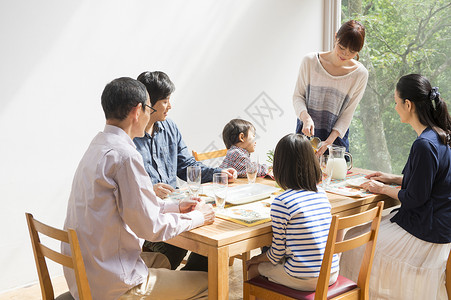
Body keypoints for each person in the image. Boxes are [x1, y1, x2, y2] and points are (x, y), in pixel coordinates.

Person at [62, 77, 215, 300]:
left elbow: (133, 205)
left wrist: (174, 207)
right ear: (137, 111)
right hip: (115, 284)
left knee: (163, 261)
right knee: (211, 282)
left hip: (89, 272)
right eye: (148, 108)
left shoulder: (98, 145)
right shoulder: (126, 156)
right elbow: (151, 227)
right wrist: (199, 217)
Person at [340, 74, 451, 299]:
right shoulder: (440, 135)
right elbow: (431, 180)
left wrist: (379, 189)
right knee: (357, 233)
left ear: (408, 105)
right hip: (439, 225)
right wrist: (390, 178)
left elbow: (415, 198)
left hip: (426, 231)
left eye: (396, 101)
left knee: (351, 242)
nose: (395, 107)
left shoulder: (424, 144)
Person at [134, 71, 237, 271]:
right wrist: (149, 190)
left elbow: (187, 166)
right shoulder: (129, 138)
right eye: (165, 101)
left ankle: (190, 282)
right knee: (182, 247)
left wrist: (219, 173)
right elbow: (125, 191)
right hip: (152, 219)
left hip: (177, 208)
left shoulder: (170, 127)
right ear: (148, 103)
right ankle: (177, 283)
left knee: (214, 239)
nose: (170, 106)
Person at [245, 133, 339, 291]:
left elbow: (276, 254)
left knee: (254, 268)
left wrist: (255, 259)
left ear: (280, 166)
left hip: (305, 278)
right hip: (331, 272)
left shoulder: (282, 202)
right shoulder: (321, 193)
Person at [293, 20, 369, 155]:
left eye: (352, 51)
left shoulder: (360, 74)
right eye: (341, 47)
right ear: (335, 37)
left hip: (336, 141)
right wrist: (306, 118)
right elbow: (298, 97)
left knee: (335, 175)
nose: (345, 54)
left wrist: (329, 142)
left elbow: (348, 113)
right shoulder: (310, 61)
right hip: (306, 136)